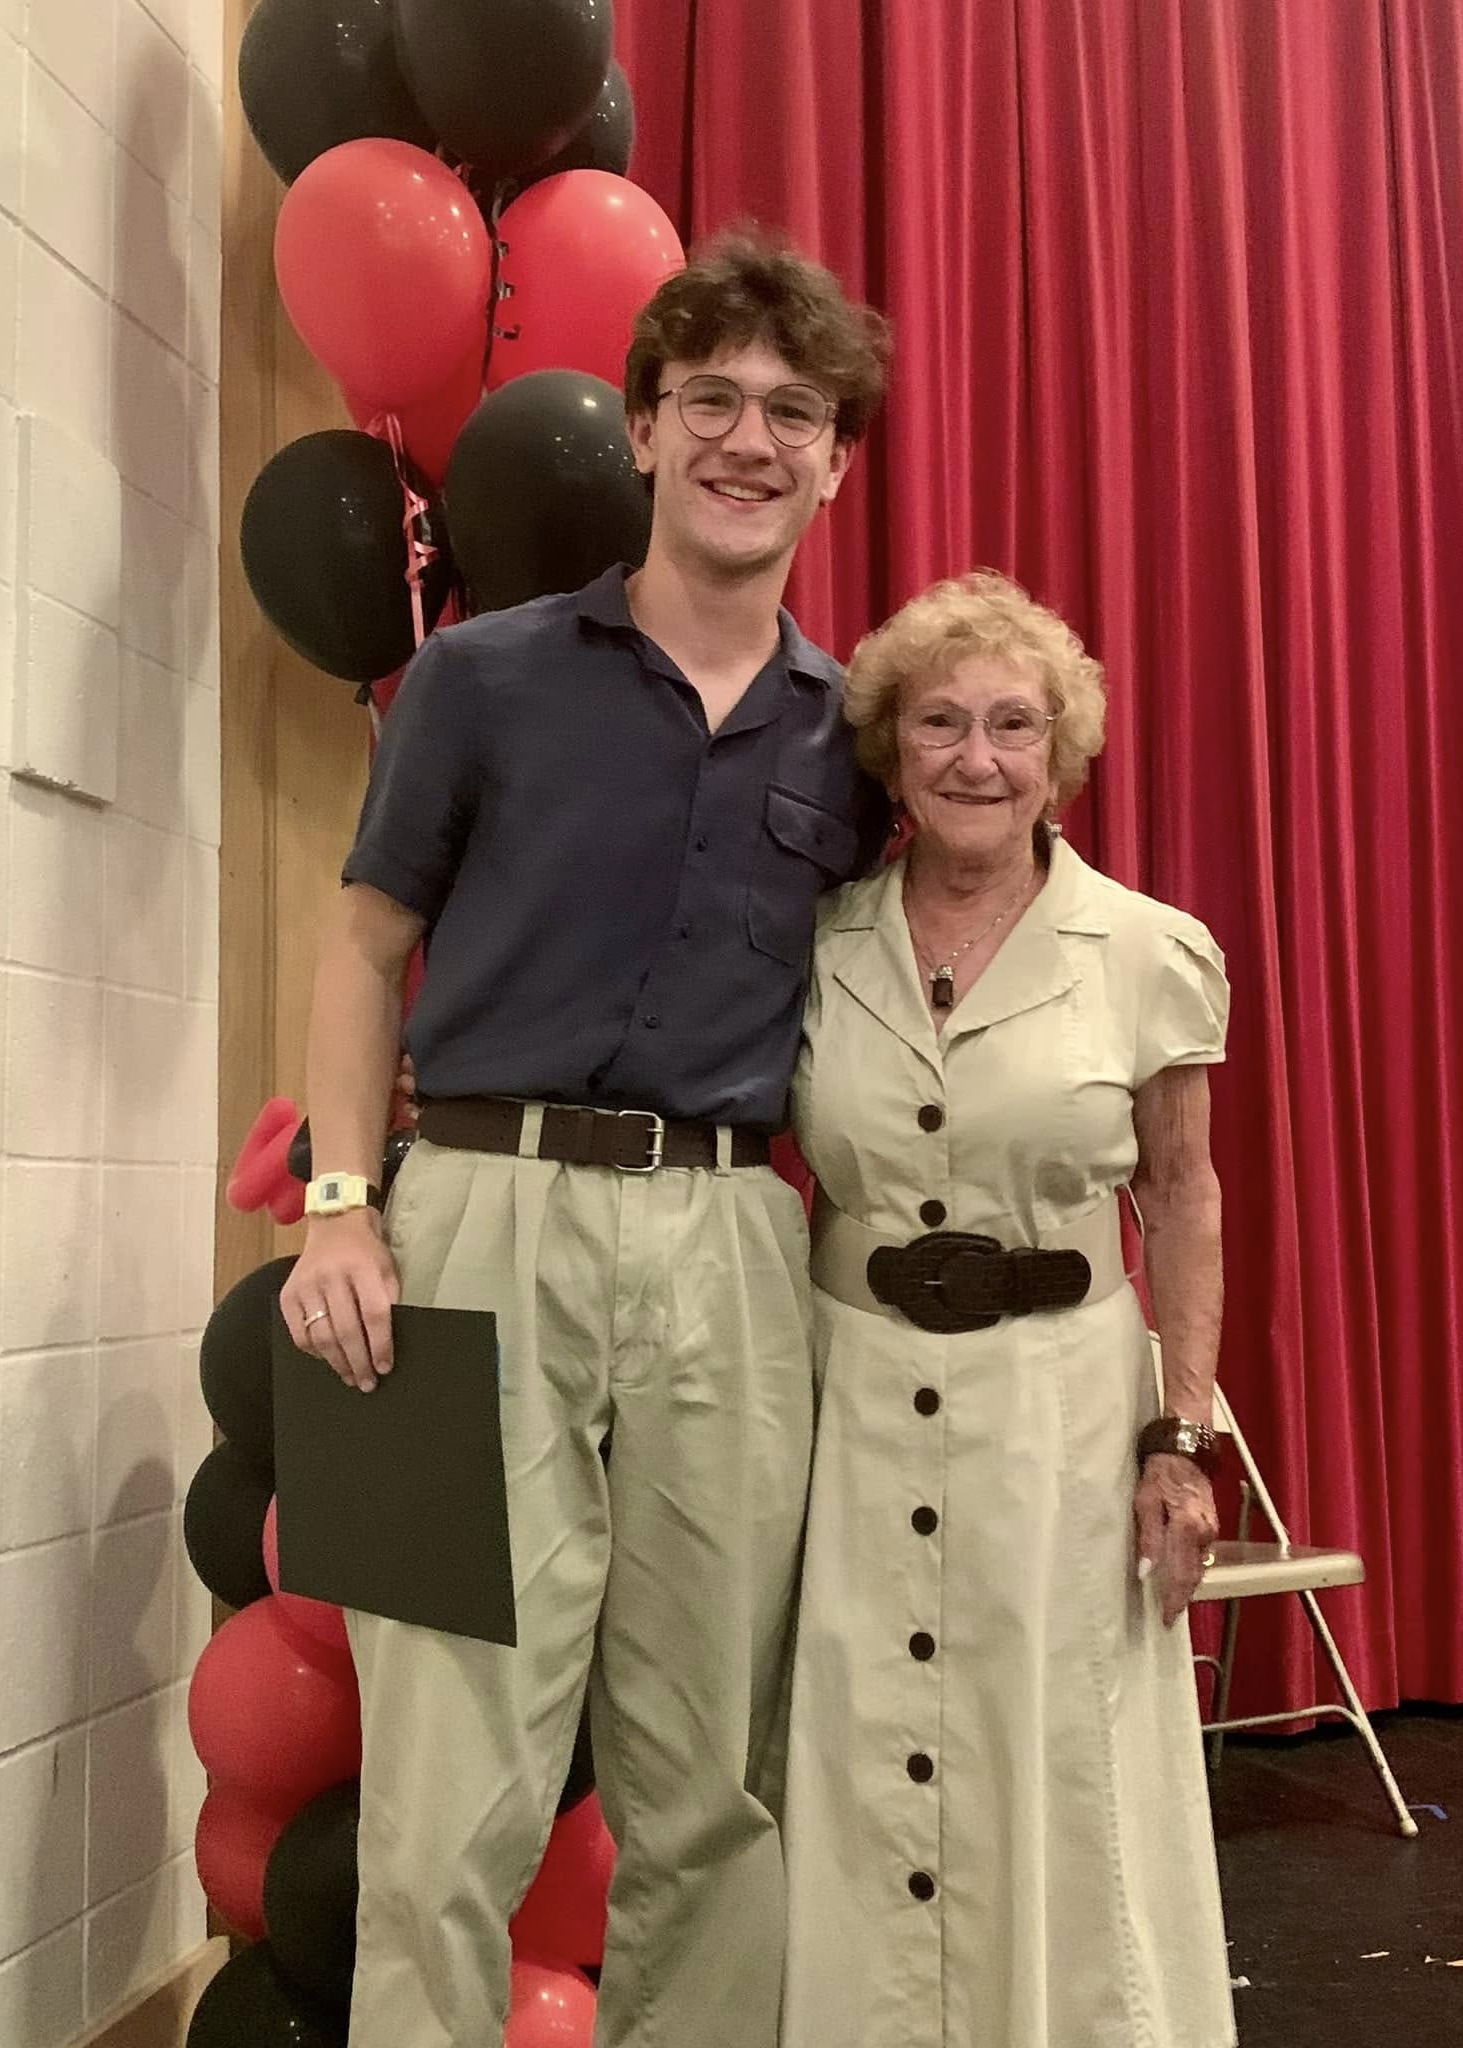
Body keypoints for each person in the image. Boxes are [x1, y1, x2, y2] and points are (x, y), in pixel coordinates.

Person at [277, 227, 890, 2048]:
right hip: (473, 1229)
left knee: (716, 1783)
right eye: (709, 399)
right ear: (640, 428)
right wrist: (336, 1207)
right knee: (446, 1794)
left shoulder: (849, 733)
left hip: (728, 1251)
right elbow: (364, 944)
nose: (748, 441)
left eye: (794, 412)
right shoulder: (487, 679)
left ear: (837, 460)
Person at [781, 570, 1237, 2048]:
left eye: (1013, 725)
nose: (976, 756)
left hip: (1065, 1404)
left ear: (1063, 754)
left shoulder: (1147, 947)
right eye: (940, 723)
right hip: (849, 1395)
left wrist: (1181, 1437)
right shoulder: (816, 943)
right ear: (890, 749)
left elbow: (1181, 1194)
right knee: (860, 1739)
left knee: (1056, 1747)